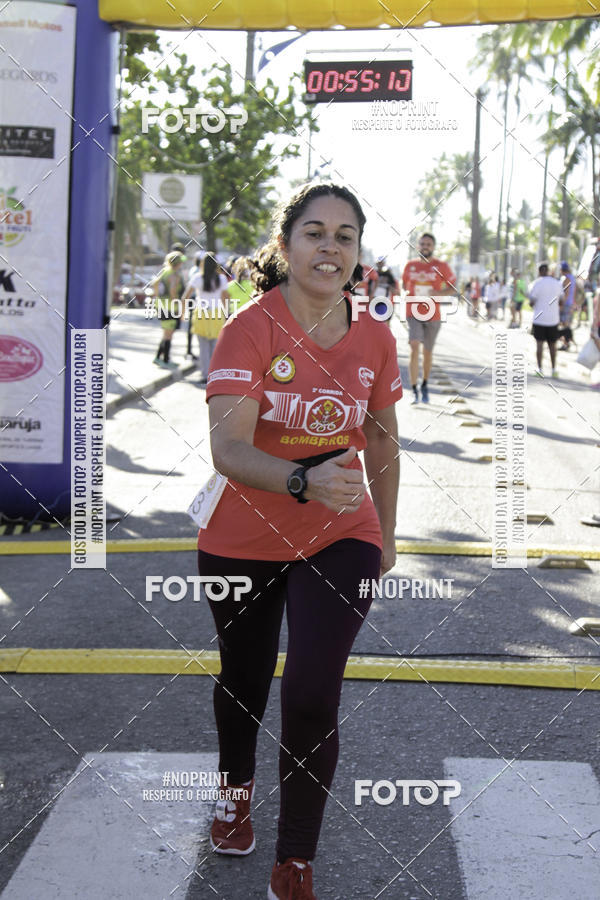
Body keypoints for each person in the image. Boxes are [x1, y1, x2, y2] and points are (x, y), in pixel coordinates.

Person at [197, 183, 402, 900]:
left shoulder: (374, 334)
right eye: (315, 232)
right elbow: (229, 448)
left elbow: (380, 437)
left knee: (312, 692)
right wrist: (300, 480)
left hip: (340, 535)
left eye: (345, 236)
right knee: (245, 681)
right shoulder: (249, 329)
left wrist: (389, 531)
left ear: (357, 254)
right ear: (285, 247)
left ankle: (296, 861)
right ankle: (234, 789)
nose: (330, 247)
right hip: (242, 539)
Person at [402, 232, 455, 403]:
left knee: (427, 352)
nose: (425, 247)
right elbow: (404, 285)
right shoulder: (410, 266)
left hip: (433, 313)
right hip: (413, 312)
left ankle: (424, 384)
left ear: (433, 247)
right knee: (414, 346)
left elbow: (453, 287)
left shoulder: (441, 266)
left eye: (429, 244)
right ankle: (414, 388)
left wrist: (437, 292)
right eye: (423, 244)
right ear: (418, 246)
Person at [182, 254, 226, 385]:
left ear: (202, 264)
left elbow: (185, 297)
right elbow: (225, 298)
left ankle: (204, 374)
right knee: (215, 346)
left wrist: (182, 313)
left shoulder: (197, 278)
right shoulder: (222, 279)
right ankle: (214, 375)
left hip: (201, 314)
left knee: (203, 346)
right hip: (217, 314)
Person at [151, 251, 185, 368]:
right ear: (178, 263)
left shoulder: (164, 272)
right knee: (168, 334)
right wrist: (178, 304)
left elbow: (155, 285)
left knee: (166, 333)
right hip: (171, 307)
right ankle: (165, 360)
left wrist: (158, 297)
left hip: (161, 305)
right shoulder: (174, 275)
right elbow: (173, 291)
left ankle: (159, 358)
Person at [528, 262, 561, 377]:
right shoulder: (557, 283)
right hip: (553, 319)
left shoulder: (537, 283)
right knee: (553, 345)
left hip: (539, 319)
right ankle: (554, 370)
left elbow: (531, 302)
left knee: (539, 344)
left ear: (540, 271)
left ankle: (540, 369)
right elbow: (562, 300)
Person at [557, 261, 576, 350]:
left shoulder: (566, 279)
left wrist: (561, 306)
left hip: (566, 304)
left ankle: (566, 343)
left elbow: (566, 293)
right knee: (566, 324)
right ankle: (566, 342)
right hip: (570, 303)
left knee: (564, 324)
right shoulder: (572, 278)